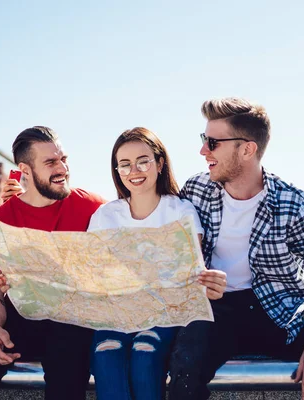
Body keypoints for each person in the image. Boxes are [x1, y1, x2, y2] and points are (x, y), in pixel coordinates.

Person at [168, 97, 304, 400]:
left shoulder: (294, 203)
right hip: (216, 309)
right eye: (203, 140)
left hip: (282, 309)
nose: (203, 151)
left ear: (247, 149)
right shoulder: (196, 190)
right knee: (184, 367)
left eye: (212, 142)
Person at [0, 126, 105, 400]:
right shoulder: (0, 220)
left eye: (64, 159)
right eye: (50, 162)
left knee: (67, 370)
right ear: (25, 169)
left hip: (71, 318)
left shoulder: (93, 207)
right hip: (21, 316)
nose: (63, 169)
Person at [87, 127, 227, 400]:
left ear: (160, 163)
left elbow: (186, 267)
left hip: (164, 311)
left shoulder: (179, 210)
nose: (134, 171)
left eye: (143, 161)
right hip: (117, 312)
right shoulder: (105, 215)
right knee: (106, 351)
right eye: (124, 165)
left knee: (145, 351)